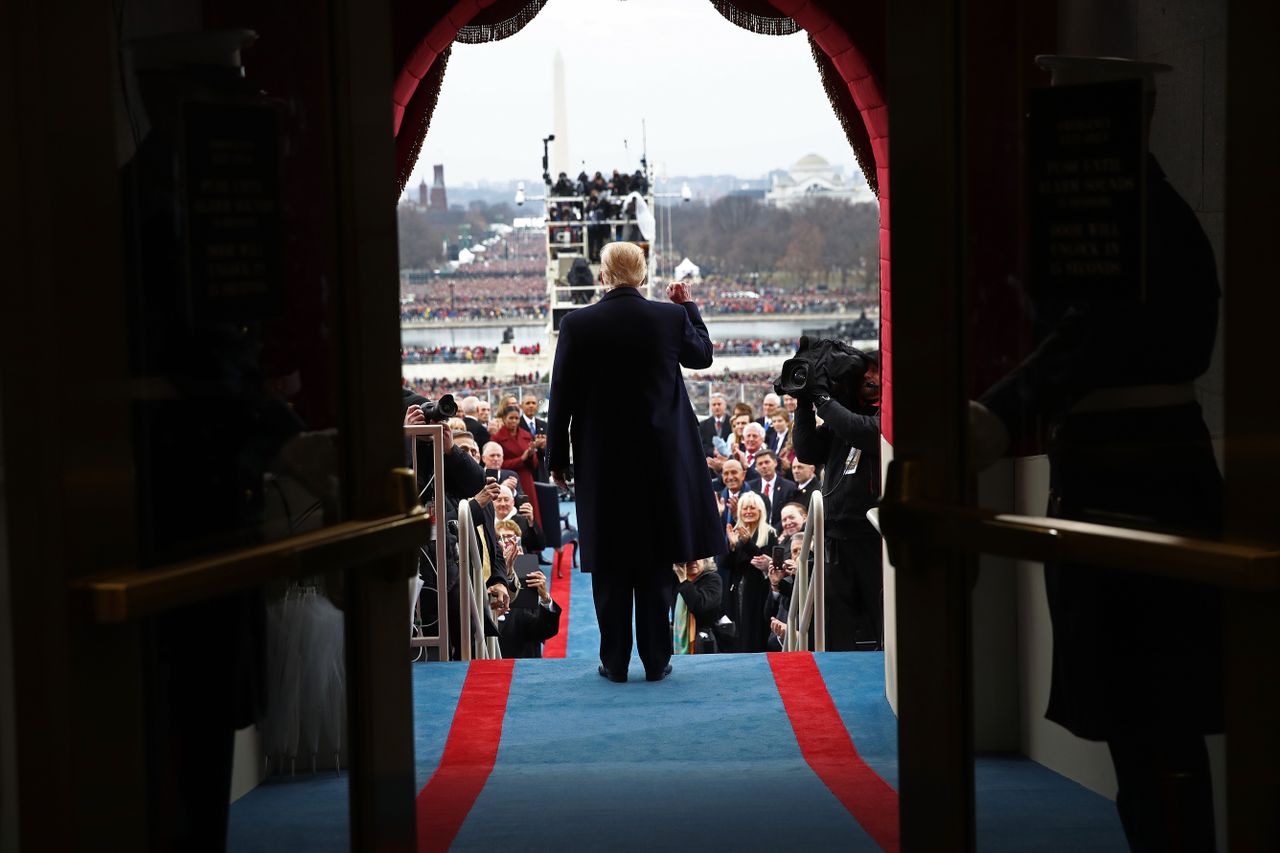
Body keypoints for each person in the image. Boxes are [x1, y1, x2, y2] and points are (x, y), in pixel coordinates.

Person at [969, 55, 1224, 852]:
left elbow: (1089, 336)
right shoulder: (1137, 209)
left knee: (1153, 725)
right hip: (1139, 466)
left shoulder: (1124, 217)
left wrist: (998, 415)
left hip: (1133, 474)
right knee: (1144, 732)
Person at [548, 241, 723, 683]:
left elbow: (561, 396)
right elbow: (702, 355)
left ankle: (615, 661)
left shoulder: (577, 323)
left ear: (603, 276)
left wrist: (557, 456)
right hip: (660, 461)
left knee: (609, 561)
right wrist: (688, 306)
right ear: (643, 276)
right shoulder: (669, 317)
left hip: (601, 461)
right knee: (653, 559)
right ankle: (656, 659)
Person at [791, 344, 883, 651]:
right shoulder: (842, 416)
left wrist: (823, 399)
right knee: (835, 626)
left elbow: (862, 431)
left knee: (883, 618)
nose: (869, 378)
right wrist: (803, 404)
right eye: (864, 373)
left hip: (873, 537)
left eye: (875, 372)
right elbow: (807, 451)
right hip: (835, 536)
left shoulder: (887, 418)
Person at [493, 519, 562, 658]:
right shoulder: (484, 573)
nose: (507, 543)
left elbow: (543, 629)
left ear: (519, 544)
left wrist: (545, 598)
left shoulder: (530, 573)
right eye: (502, 538)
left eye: (511, 539)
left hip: (522, 654)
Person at [722, 492, 777, 653]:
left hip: (758, 590)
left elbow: (763, 560)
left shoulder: (770, 533)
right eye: (744, 508)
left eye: (752, 508)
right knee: (738, 629)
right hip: (736, 590)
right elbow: (726, 565)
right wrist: (732, 547)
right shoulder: (736, 533)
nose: (748, 512)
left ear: (760, 511)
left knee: (754, 630)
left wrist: (747, 543)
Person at [494, 406, 545, 528]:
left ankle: (533, 541)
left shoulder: (527, 435)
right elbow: (499, 464)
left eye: (516, 418)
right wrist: (521, 458)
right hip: (509, 481)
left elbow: (534, 464)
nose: (514, 421)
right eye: (511, 418)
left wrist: (531, 455)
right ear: (504, 419)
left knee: (529, 511)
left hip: (526, 479)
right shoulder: (497, 438)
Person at [672, 558, 724, 655]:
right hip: (678, 643)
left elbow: (699, 605)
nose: (693, 561)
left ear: (705, 560)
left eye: (698, 558)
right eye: (689, 559)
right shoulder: (675, 581)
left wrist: (684, 581)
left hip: (705, 642)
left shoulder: (713, 579)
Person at [753, 450, 797, 530]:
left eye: (767, 462)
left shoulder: (789, 487)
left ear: (775, 463)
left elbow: (789, 513)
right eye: (760, 464)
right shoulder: (751, 487)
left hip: (779, 532)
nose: (764, 466)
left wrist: (771, 532)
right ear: (756, 467)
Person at [518, 394, 550, 481]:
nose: (531, 406)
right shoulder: (517, 425)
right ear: (521, 406)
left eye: (533, 403)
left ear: (537, 406)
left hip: (541, 470)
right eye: (528, 403)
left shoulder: (544, 424)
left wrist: (544, 445)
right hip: (525, 469)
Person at [699, 392, 733, 456]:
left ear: (725, 405)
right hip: (710, 460)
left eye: (719, 404)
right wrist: (712, 451)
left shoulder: (732, 423)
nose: (716, 407)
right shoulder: (703, 425)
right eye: (714, 405)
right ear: (710, 407)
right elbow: (701, 445)